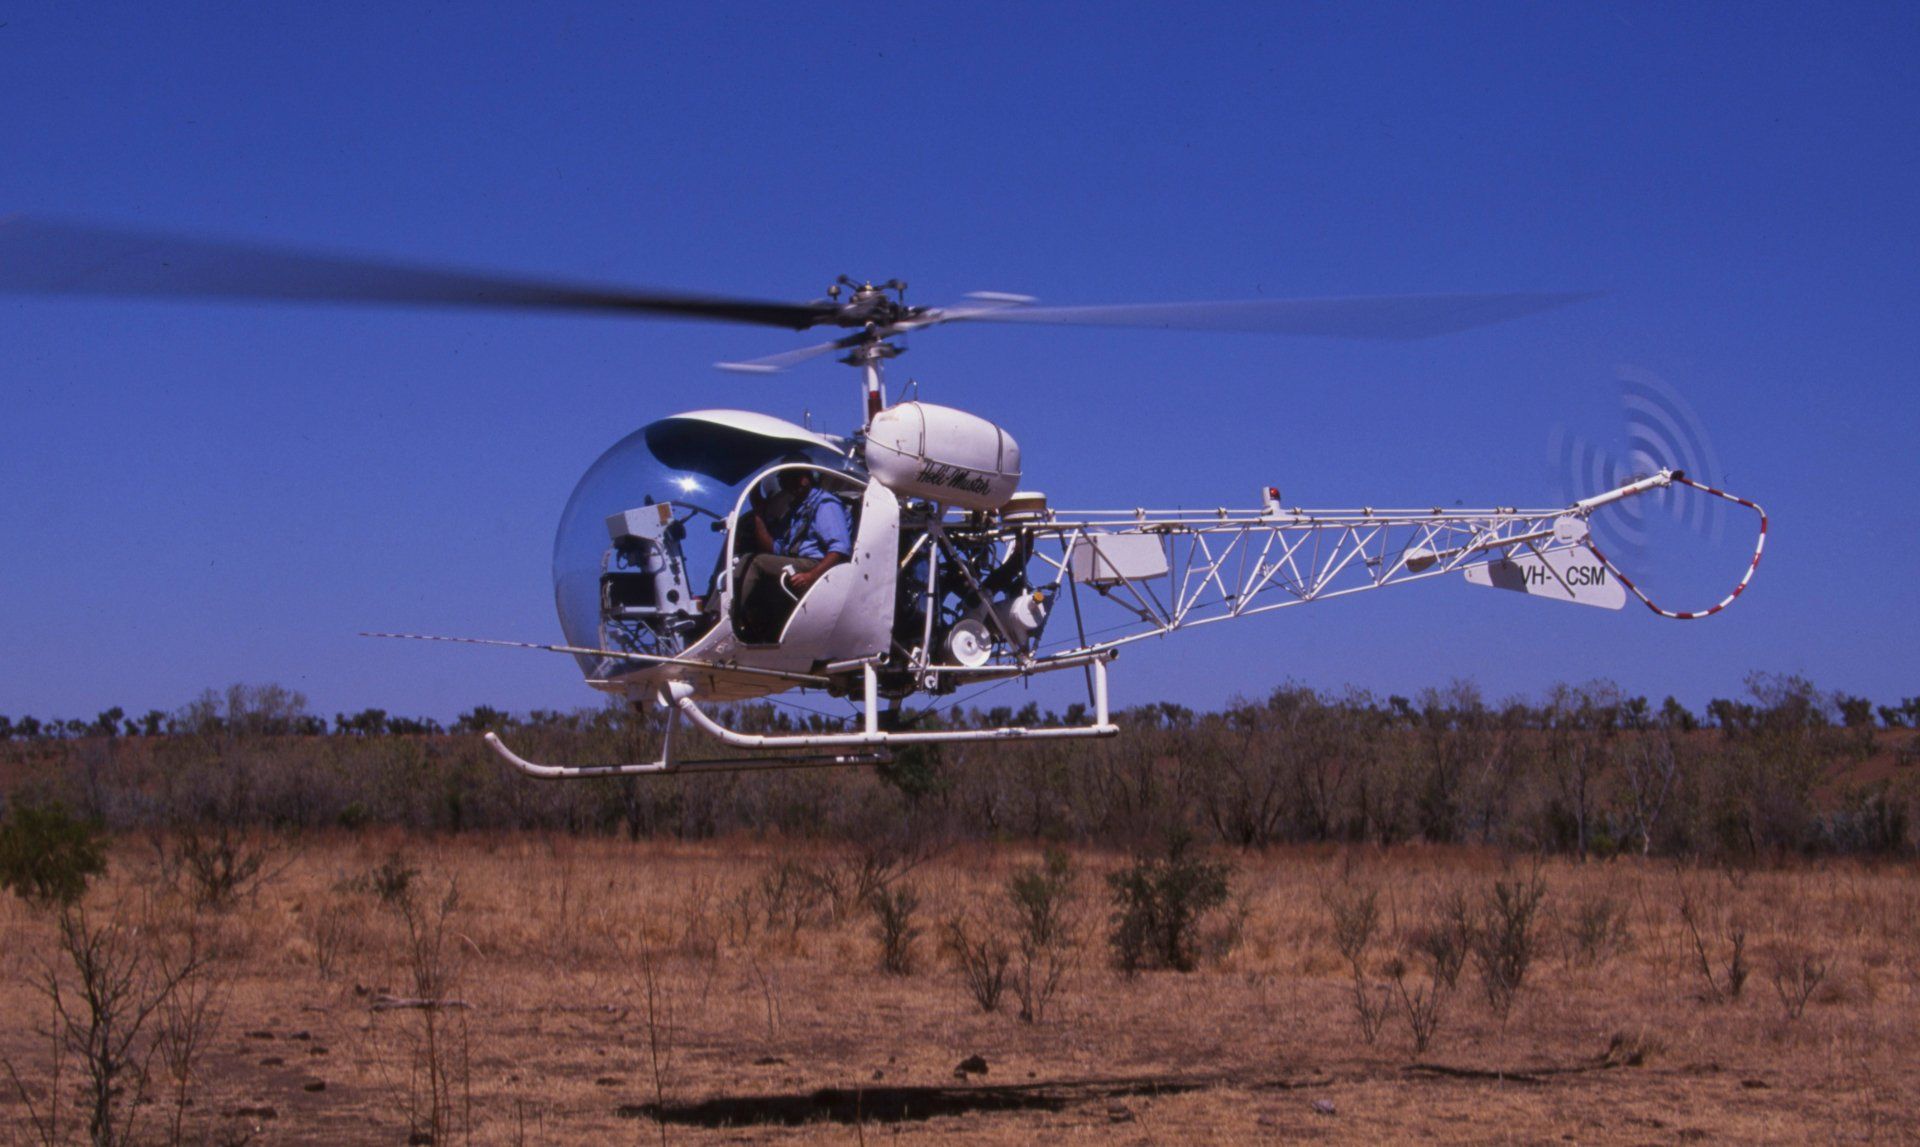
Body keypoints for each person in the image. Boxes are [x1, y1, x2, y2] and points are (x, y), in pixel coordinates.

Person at [734, 464, 852, 642]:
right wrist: (758, 513)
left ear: (804, 479)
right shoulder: (796, 511)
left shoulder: (825, 504)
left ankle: (727, 614)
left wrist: (811, 575)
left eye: (786, 479)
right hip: (795, 562)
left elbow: (840, 549)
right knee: (749, 562)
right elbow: (774, 549)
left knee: (755, 562)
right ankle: (748, 628)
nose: (783, 486)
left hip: (816, 564)